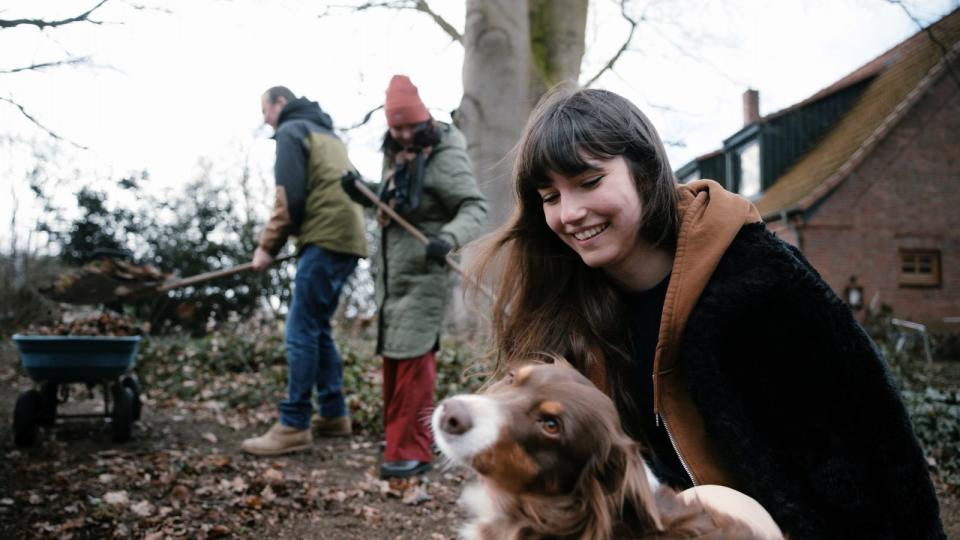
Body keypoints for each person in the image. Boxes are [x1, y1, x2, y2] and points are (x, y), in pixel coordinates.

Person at [466, 85, 944, 539]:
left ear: (645, 171)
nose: (569, 213)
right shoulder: (561, 306)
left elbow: (874, 448)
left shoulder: (762, 285)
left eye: (589, 182)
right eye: (550, 198)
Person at [341, 75, 487, 478]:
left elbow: (474, 206)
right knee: (393, 359)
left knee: (414, 363)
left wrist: (448, 238)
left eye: (409, 126)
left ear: (424, 119)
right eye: (396, 127)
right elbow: (395, 207)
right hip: (392, 278)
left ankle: (413, 450)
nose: (404, 134)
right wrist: (361, 192)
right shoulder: (398, 155)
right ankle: (397, 442)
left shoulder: (445, 156)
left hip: (425, 274)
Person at [241, 86, 367, 456]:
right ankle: (333, 414)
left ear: (279, 103)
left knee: (300, 329)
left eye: (265, 110)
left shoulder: (292, 131)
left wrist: (266, 248)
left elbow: (289, 197)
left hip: (324, 237)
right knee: (317, 327)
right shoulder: (329, 135)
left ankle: (294, 423)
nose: (265, 118)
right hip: (349, 238)